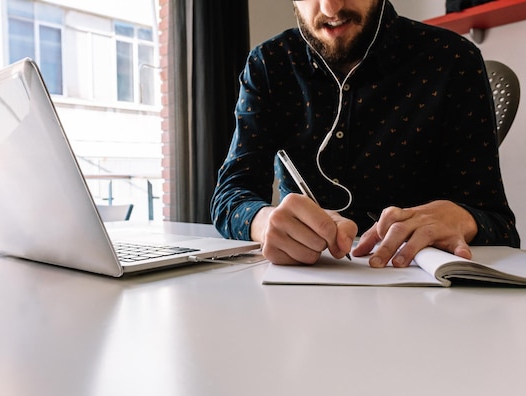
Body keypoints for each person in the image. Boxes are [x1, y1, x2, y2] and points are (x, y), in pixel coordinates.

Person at [210, 0, 520, 268]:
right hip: (304, 284)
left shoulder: (453, 60)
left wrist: (461, 218)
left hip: (422, 291)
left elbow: (499, 225)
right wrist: (265, 223)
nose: (330, 8)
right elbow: (231, 196)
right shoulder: (269, 63)